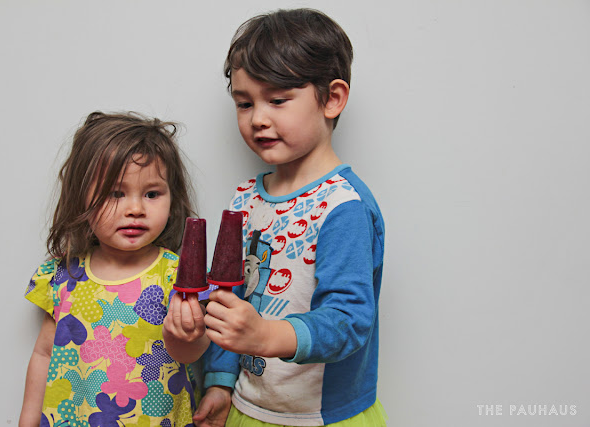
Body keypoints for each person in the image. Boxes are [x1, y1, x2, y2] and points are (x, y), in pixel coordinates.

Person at [168, 8, 387, 427]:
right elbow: (228, 302)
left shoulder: (344, 206)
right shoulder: (245, 200)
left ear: (332, 98)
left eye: (278, 100)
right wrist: (219, 382)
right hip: (248, 407)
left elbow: (349, 321)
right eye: (244, 103)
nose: (258, 119)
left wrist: (267, 335)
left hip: (323, 417)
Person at [19, 111, 216, 427]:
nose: (135, 209)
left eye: (152, 194)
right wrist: (28, 420)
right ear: (82, 197)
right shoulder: (63, 275)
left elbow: (194, 353)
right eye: (115, 194)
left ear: (172, 198)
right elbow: (44, 354)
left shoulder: (178, 276)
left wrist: (191, 335)